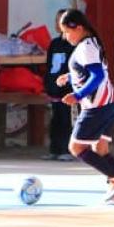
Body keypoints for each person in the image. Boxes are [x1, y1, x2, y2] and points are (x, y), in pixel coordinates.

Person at [56, 9, 114, 204]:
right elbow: (90, 69)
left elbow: (98, 75)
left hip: (97, 106)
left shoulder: (85, 47)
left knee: (76, 147)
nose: (65, 37)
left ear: (79, 28)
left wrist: (78, 95)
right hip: (110, 103)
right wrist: (70, 76)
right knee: (100, 147)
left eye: (66, 32)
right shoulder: (91, 43)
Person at [43, 9, 75, 161]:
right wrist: (48, 84)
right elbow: (49, 66)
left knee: (65, 119)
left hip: (67, 90)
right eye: (57, 21)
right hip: (54, 89)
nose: (59, 24)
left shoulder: (74, 44)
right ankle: (54, 149)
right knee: (55, 120)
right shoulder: (54, 44)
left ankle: (66, 150)